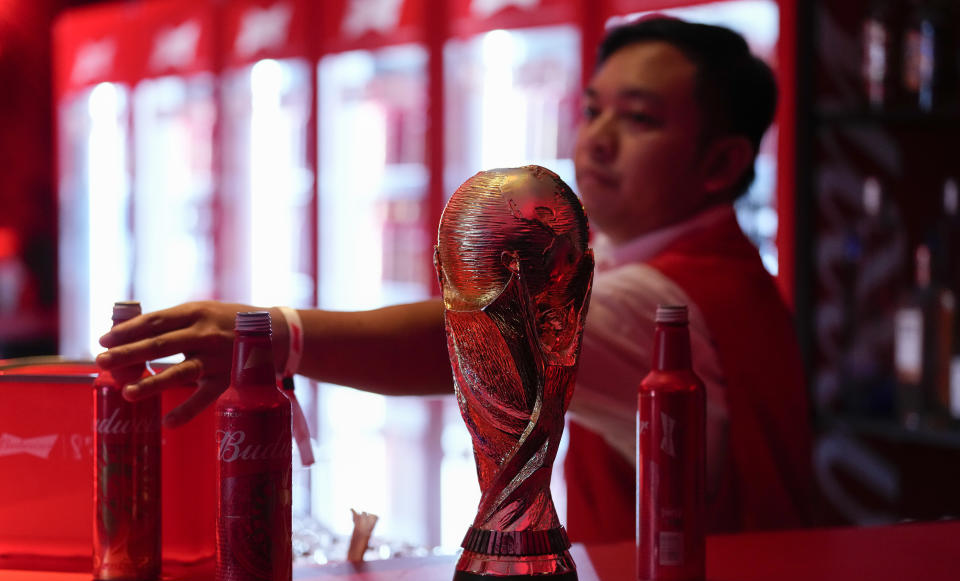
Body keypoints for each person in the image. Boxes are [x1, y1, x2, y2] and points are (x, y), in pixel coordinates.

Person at [97, 17, 813, 540]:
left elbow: (485, 338)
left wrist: (279, 338)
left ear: (720, 165)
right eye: (594, 110)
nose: (595, 139)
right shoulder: (699, 275)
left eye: (639, 120)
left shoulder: (665, 303)